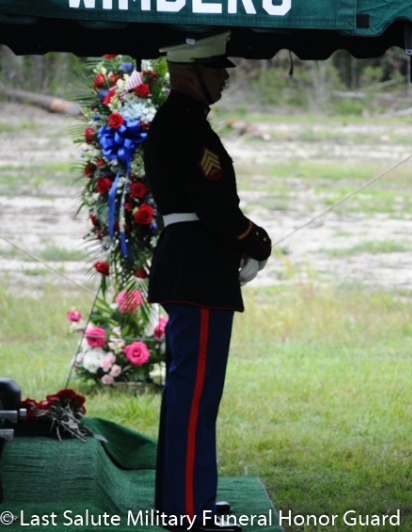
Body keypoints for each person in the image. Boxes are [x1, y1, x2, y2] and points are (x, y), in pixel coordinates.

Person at [144, 32, 271, 532]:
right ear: (187, 72)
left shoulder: (183, 120)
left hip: (194, 267)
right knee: (194, 395)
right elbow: (215, 207)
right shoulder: (184, 124)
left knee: (191, 394)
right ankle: (188, 512)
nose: (223, 76)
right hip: (197, 269)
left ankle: (185, 500)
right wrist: (256, 240)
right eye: (215, 68)